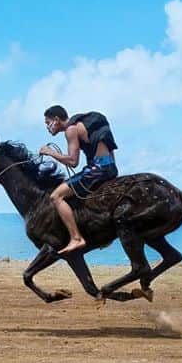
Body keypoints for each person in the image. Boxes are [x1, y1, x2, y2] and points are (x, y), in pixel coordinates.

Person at [38, 105, 119, 254]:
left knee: (56, 196)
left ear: (56, 119)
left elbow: (72, 161)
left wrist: (50, 152)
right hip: (110, 167)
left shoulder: (71, 129)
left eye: (48, 123)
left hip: (97, 170)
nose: (47, 127)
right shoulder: (84, 122)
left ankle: (76, 238)